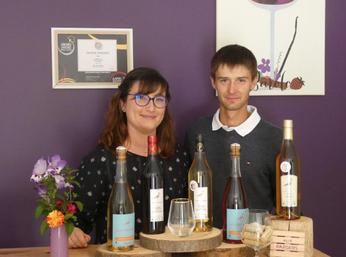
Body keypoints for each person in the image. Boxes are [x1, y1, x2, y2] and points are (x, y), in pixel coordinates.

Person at [69, 67, 189, 248]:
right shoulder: (102, 160)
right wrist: (70, 232)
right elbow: (74, 223)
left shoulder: (179, 157)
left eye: (159, 99)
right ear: (123, 104)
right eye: (141, 98)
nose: (151, 107)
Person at [185, 44, 282, 228]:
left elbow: (286, 207)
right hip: (204, 246)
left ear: (254, 81)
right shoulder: (196, 133)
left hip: (255, 247)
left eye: (241, 80)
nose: (232, 90)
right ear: (213, 82)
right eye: (224, 80)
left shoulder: (275, 138)